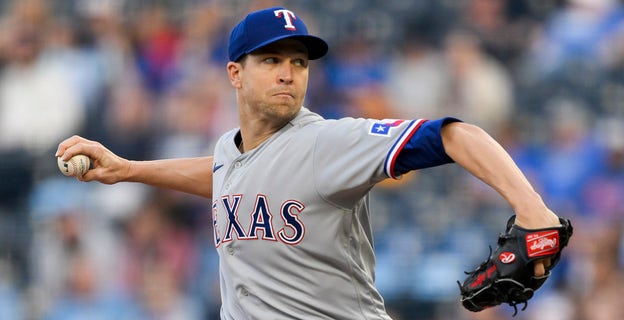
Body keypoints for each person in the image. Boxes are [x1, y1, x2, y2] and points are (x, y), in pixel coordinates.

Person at [56, 6, 562, 320]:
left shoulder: (327, 144)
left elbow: (458, 135)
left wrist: (534, 213)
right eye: (271, 60)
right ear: (235, 73)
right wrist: (127, 169)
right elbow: (222, 174)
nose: (288, 74)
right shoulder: (232, 153)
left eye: (298, 62)